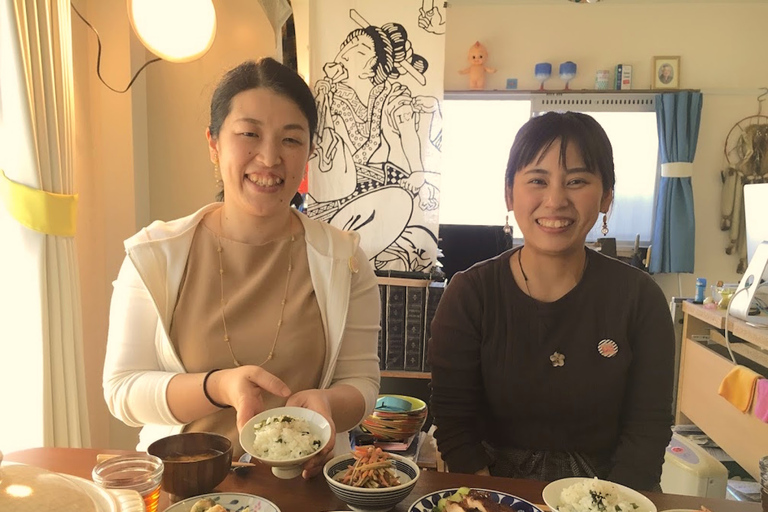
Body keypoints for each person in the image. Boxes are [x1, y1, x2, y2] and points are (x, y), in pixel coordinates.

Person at [103, 58, 381, 479]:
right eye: (249, 133)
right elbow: (122, 390)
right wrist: (219, 387)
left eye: (291, 139)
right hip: (185, 485)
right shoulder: (155, 255)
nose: (270, 158)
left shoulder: (344, 260)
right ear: (214, 143)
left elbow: (362, 383)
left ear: (309, 152)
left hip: (301, 490)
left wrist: (329, 406)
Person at [428, 112, 674, 491]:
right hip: (494, 488)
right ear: (510, 193)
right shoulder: (470, 294)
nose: (556, 200)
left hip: (606, 491)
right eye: (537, 181)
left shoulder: (640, 299)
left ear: (607, 195)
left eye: (576, 181)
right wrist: (490, 498)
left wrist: (610, 502)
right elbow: (454, 424)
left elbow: (648, 428)